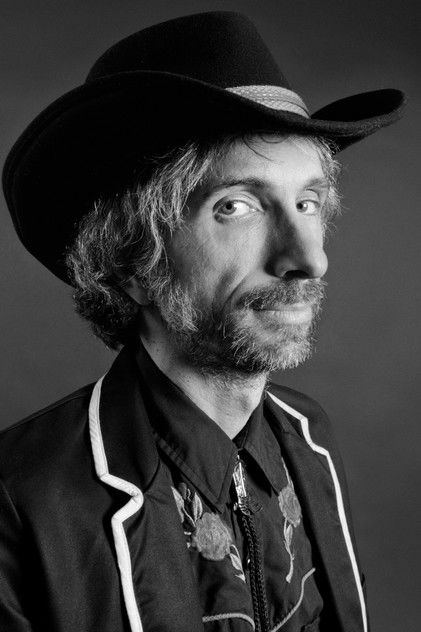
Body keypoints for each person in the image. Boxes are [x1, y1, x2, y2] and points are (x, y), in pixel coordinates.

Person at [0, 11, 405, 632]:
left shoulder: (310, 438)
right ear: (134, 260)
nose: (309, 258)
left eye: (308, 202)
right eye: (237, 206)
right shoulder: (19, 501)